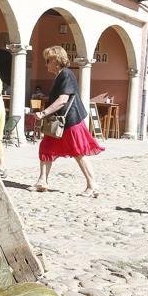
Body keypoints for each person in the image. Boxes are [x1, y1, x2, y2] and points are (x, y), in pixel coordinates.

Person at [32, 46, 104, 197]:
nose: (46, 64)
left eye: (48, 60)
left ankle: (93, 185)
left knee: (78, 152)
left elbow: (63, 99)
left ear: (56, 61)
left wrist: (43, 113)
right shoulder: (60, 76)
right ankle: (42, 181)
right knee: (45, 147)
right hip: (59, 122)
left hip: (70, 121)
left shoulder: (66, 74)